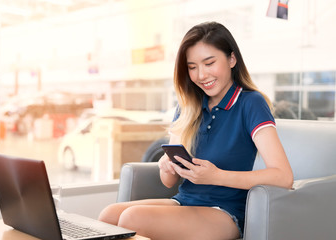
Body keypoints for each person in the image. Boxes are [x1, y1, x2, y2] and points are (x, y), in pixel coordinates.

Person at [98, 21, 293, 240]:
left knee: (132, 220)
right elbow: (168, 182)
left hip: (225, 211)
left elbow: (283, 176)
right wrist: (167, 165)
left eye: (209, 63)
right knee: (109, 217)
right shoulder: (188, 104)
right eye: (192, 67)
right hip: (185, 201)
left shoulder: (251, 102)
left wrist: (216, 176)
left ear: (231, 59)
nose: (201, 75)